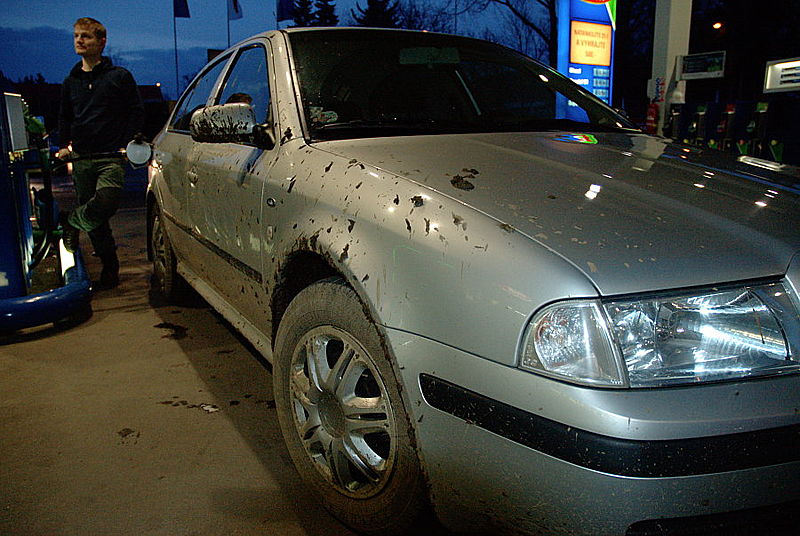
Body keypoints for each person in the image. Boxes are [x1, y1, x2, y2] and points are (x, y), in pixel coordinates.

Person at [57, 17, 144, 289]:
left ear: (101, 42)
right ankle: (109, 265)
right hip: (82, 157)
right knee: (98, 220)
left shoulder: (119, 77)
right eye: (76, 36)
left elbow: (136, 110)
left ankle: (72, 221)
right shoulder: (70, 81)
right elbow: (65, 117)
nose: (79, 41)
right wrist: (63, 145)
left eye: (86, 36)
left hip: (110, 156)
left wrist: (129, 140)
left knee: (106, 201)